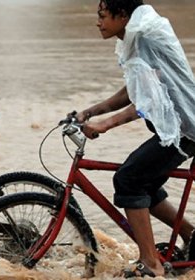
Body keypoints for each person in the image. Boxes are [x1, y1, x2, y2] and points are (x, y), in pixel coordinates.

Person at [74, 0, 195, 277]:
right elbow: (134, 90)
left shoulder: (142, 39)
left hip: (184, 129)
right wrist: (91, 111)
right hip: (181, 125)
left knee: (128, 179)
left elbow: (148, 101)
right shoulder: (138, 35)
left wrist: (105, 124)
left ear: (123, 16)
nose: (98, 22)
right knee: (145, 183)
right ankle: (190, 236)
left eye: (103, 16)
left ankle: (151, 264)